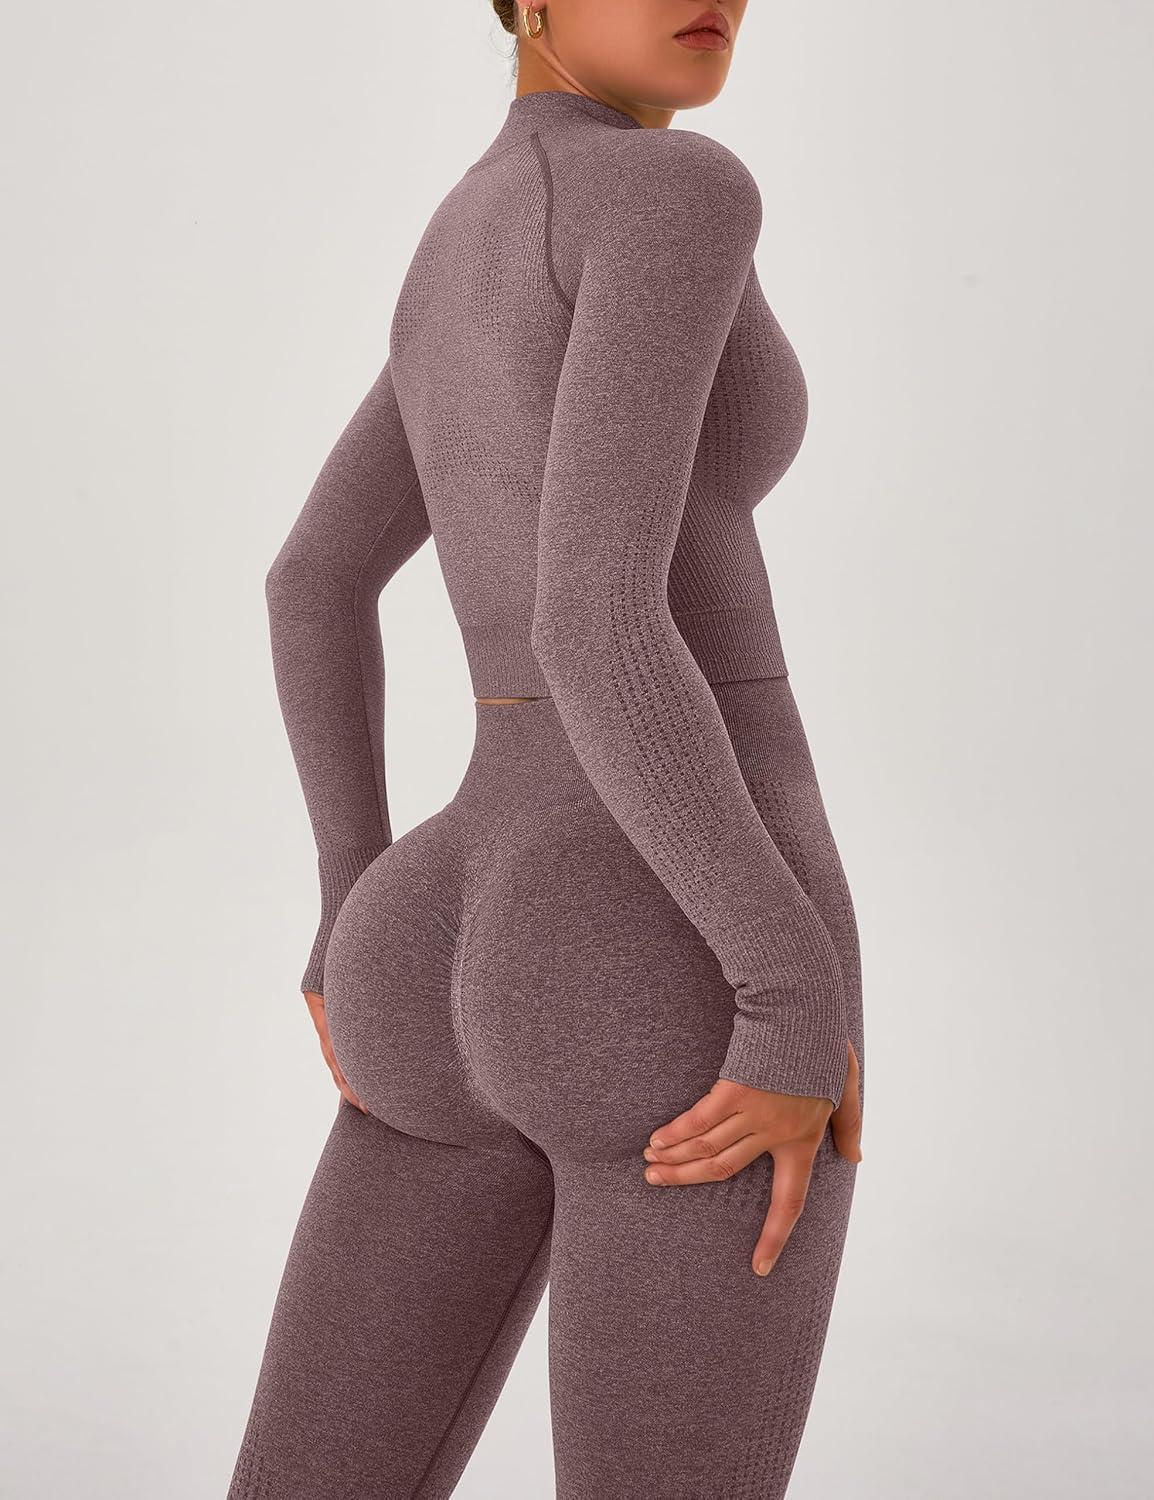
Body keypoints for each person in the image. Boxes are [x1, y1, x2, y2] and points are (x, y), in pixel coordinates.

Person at [228, 3, 866, 1496]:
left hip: (427, 931)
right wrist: (787, 993)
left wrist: (346, 911)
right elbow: (591, 616)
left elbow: (311, 579)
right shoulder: (675, 188)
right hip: (667, 935)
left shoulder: (466, 227)